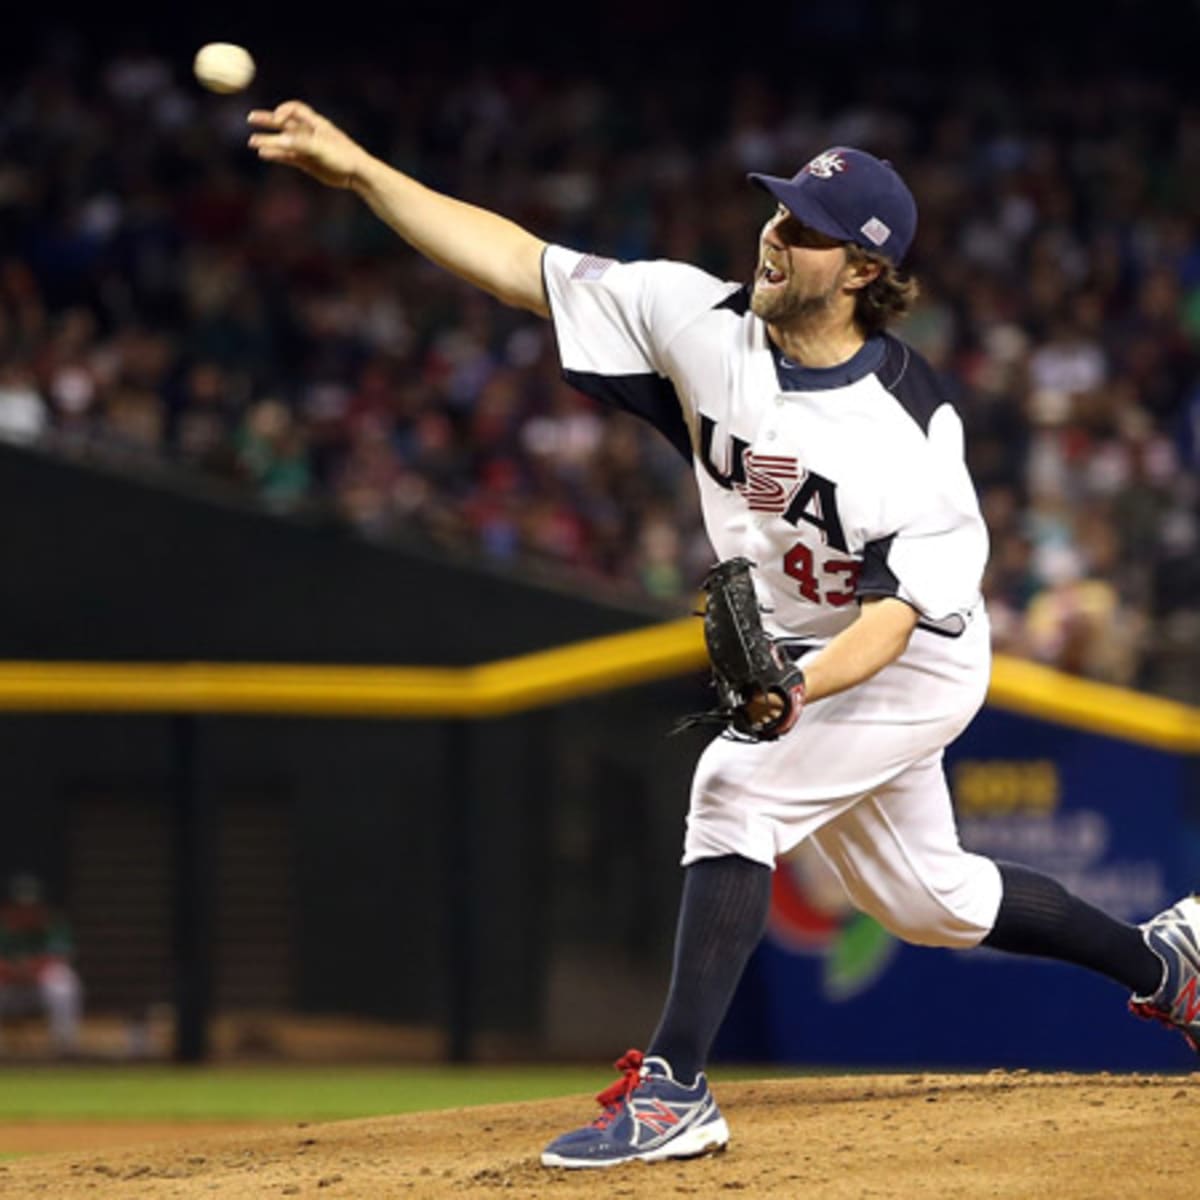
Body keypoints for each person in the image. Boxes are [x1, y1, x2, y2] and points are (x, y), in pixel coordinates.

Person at [248, 103, 1200, 1168]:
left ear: (861, 273)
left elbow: (891, 621)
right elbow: (520, 263)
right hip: (807, 646)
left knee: (734, 784)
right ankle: (1168, 965)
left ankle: (676, 1091)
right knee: (933, 904)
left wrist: (798, 691)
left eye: (807, 228)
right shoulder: (696, 319)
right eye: (781, 210)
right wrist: (366, 170)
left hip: (910, 658)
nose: (776, 234)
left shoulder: (911, 438)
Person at [0, 872, 83, 1055]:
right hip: (8, 989)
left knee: (62, 980)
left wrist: (30, 969)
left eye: (31, 906)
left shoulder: (53, 923)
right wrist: (12, 970)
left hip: (39, 989)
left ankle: (65, 1047)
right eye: (21, 907)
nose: (26, 912)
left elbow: (60, 956)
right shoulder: (3, 924)